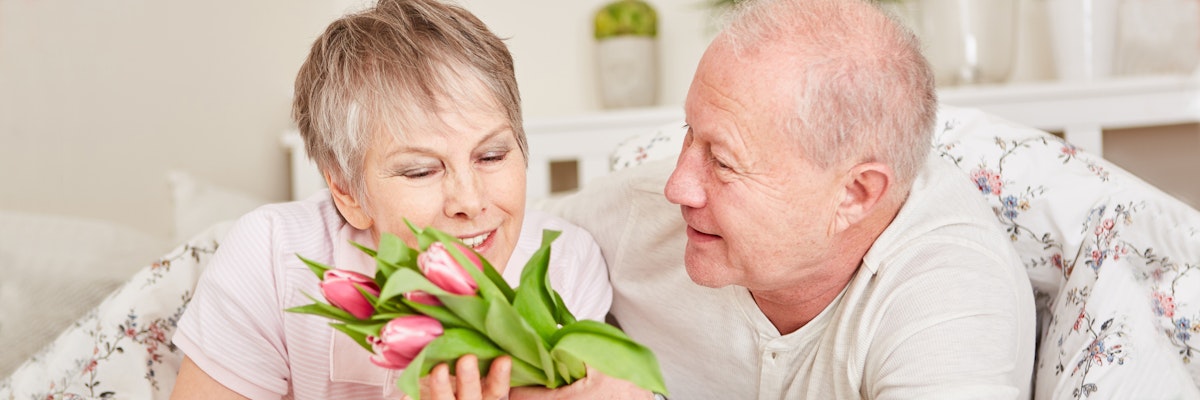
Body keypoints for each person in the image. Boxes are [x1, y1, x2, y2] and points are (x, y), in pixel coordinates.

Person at [520, 0, 1036, 398]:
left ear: (855, 194)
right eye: (688, 133)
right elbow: (500, 240)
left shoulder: (947, 293)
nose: (678, 186)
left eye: (723, 162)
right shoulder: (644, 211)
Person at [169, 0, 612, 398]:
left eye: (492, 155)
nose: (470, 200)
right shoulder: (272, 255)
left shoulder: (566, 266)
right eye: (421, 170)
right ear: (345, 191)